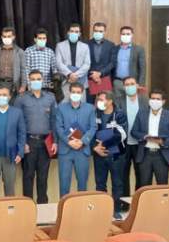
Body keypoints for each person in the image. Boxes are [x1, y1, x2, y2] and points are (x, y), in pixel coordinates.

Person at [15, 69, 57, 204]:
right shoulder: (21, 98)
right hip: (29, 142)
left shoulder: (50, 97)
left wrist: (55, 141)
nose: (36, 81)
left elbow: (54, 120)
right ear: (29, 81)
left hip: (46, 143)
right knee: (28, 176)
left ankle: (42, 207)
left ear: (42, 80)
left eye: (38, 79)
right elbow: (17, 122)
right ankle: (27, 207)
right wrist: (22, 143)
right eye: (33, 79)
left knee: (43, 177)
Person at [130, 89, 169, 186]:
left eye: (158, 99)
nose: (155, 101)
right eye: (152, 98)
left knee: (162, 185)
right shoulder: (141, 113)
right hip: (145, 154)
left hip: (161, 155)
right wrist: (144, 136)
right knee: (144, 184)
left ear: (163, 101)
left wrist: (163, 141)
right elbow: (134, 131)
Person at [55, 82, 97, 197]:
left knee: (82, 185)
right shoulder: (61, 108)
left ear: (82, 93)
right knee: (64, 184)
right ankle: (63, 207)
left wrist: (82, 141)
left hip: (82, 150)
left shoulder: (90, 108)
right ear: (69, 92)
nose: (75, 94)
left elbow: (93, 127)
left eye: (78, 92)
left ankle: (81, 207)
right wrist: (69, 141)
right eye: (73, 92)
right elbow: (58, 127)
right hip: (65, 151)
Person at [0, 85, 26, 198]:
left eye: (4, 95)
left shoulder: (17, 113)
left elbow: (22, 134)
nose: (1, 97)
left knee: (10, 187)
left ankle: (9, 209)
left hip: (11, 156)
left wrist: (20, 152)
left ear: (9, 96)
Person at [92, 91, 127, 219]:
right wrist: (95, 147)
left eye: (102, 100)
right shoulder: (95, 113)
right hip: (98, 153)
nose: (99, 102)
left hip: (116, 154)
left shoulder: (120, 114)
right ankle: (102, 210)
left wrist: (104, 145)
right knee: (100, 183)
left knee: (117, 183)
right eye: (98, 100)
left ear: (110, 101)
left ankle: (116, 209)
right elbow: (90, 131)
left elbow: (122, 134)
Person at [115, 76, 148, 198]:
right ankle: (124, 203)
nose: (130, 86)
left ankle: (138, 201)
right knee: (123, 175)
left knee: (141, 175)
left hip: (140, 144)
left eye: (132, 84)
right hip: (124, 144)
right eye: (127, 84)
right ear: (124, 87)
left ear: (137, 85)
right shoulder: (118, 101)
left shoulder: (145, 100)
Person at [56, 23, 91, 103]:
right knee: (64, 104)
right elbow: (58, 63)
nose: (74, 33)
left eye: (76, 32)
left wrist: (76, 75)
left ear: (79, 34)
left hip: (80, 80)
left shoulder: (85, 46)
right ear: (68, 32)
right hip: (66, 80)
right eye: (72, 31)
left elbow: (87, 64)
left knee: (80, 104)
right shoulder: (60, 45)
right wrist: (69, 74)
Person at [0, 27, 25, 98]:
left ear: (13, 37)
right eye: (4, 36)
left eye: (9, 36)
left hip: (14, 84)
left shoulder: (19, 52)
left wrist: (23, 85)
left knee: (13, 104)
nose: (6, 38)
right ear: (1, 37)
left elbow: (23, 70)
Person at [113, 26, 146, 99]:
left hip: (132, 83)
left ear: (132, 35)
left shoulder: (139, 49)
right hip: (118, 82)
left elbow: (142, 68)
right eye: (123, 34)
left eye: (128, 34)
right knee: (118, 103)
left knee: (132, 102)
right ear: (120, 35)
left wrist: (140, 84)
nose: (125, 36)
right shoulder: (115, 48)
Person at [86, 22, 116, 103]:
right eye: (96, 31)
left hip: (105, 78)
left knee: (104, 104)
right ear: (93, 31)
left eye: (100, 31)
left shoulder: (111, 45)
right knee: (90, 104)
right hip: (90, 78)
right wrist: (93, 74)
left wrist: (100, 73)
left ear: (105, 32)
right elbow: (83, 62)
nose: (98, 33)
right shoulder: (86, 44)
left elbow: (112, 63)